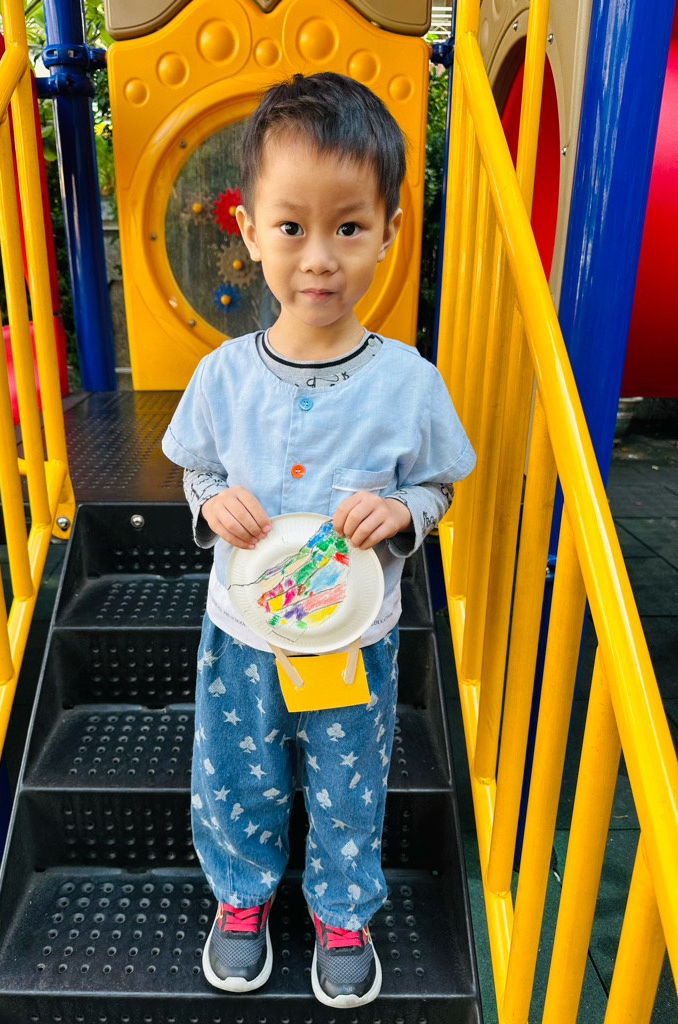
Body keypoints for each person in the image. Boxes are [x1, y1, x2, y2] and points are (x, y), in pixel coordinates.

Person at [162, 71, 475, 1009]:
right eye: (292, 227)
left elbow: (437, 483)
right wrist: (212, 502)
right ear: (250, 230)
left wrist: (406, 512)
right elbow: (196, 471)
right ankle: (242, 897)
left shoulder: (409, 383)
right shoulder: (222, 377)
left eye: (348, 227)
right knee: (235, 772)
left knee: (349, 778)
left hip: (351, 638)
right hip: (245, 631)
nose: (321, 258)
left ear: (388, 230)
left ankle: (343, 912)